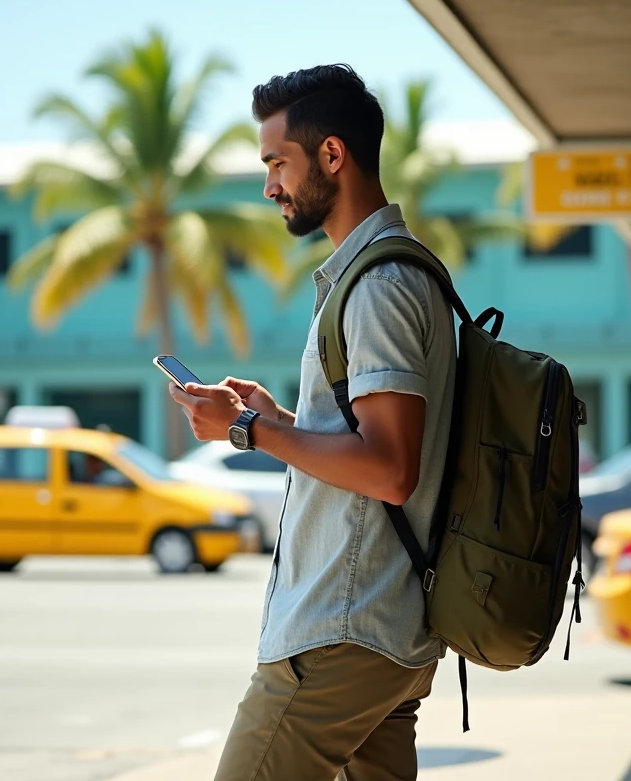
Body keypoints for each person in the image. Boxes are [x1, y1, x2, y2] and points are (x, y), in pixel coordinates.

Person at [168, 64, 455, 781]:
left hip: (344, 630)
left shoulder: (380, 287)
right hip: (384, 630)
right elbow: (376, 453)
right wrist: (283, 420)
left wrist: (246, 432)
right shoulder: (395, 274)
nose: (269, 186)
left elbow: (391, 470)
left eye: (277, 164)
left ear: (332, 155)